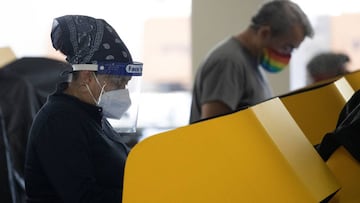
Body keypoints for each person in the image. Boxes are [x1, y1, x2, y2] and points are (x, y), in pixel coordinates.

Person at [24, 15, 143, 203]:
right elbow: (84, 197)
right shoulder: (59, 122)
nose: (123, 92)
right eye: (117, 83)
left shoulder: (92, 116)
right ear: (87, 77)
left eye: (126, 83)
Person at [189, 0, 314, 123]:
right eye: (287, 47)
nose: (287, 56)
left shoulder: (251, 63)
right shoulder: (228, 63)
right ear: (264, 33)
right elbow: (212, 129)